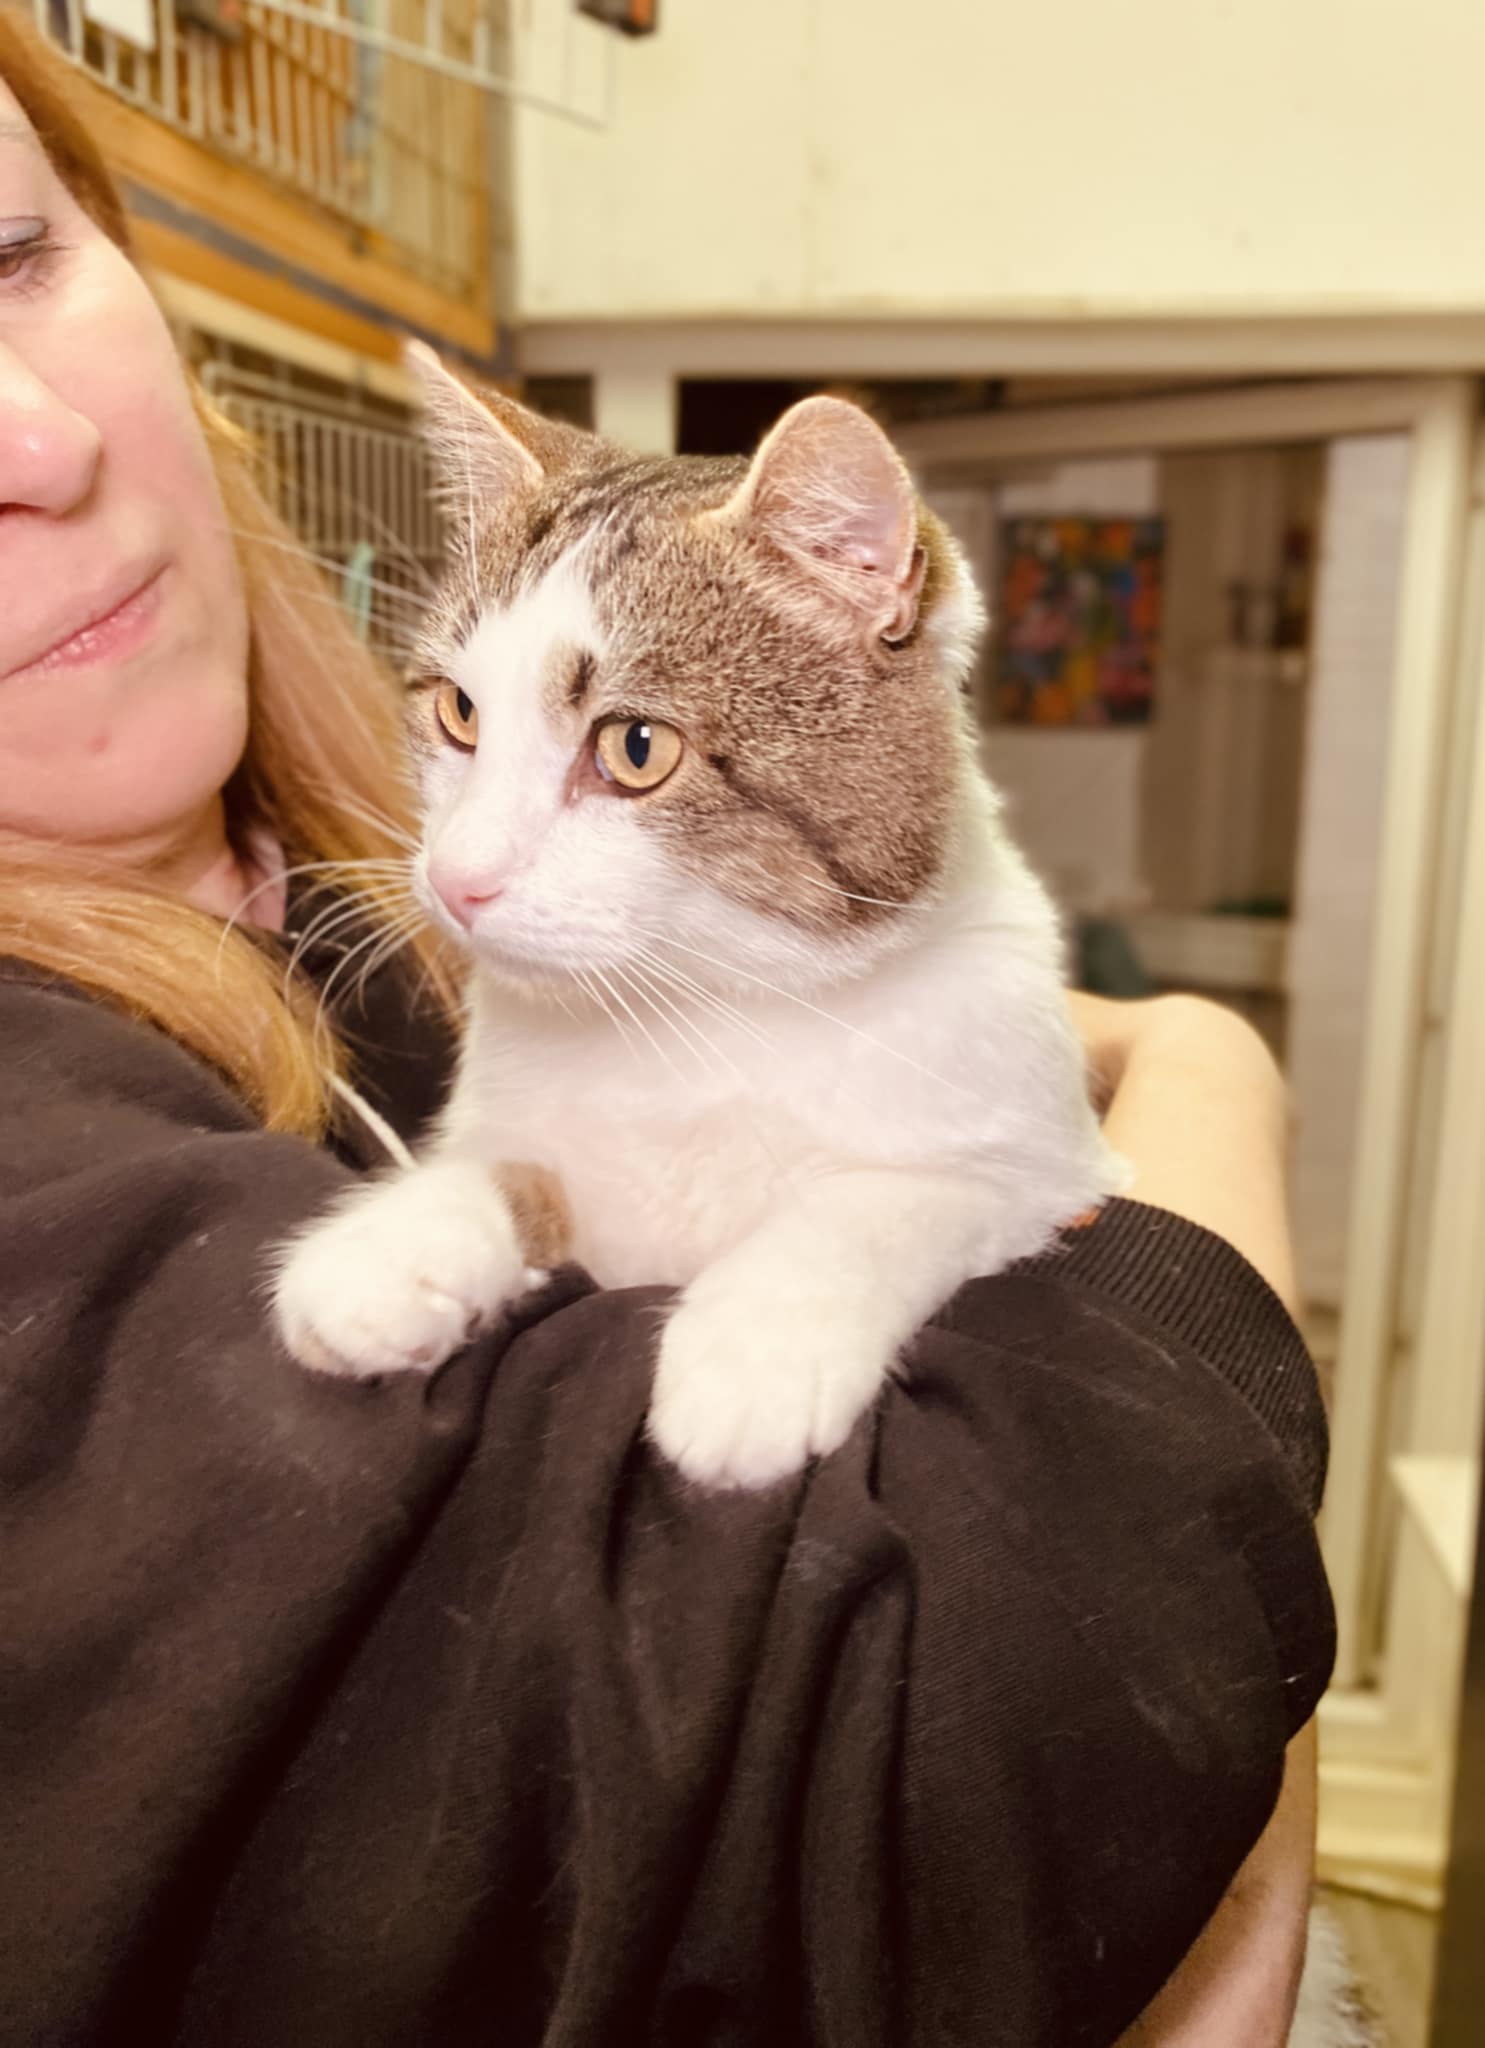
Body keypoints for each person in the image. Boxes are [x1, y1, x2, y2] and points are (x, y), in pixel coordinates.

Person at [0, 12, 1332, 2044]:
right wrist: (1210, 1079)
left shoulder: (332, 899)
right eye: (471, 719)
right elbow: (1011, 1763)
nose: (38, 441)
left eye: (17, 260)